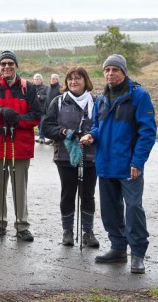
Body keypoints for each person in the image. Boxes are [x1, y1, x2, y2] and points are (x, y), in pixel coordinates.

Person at [80, 54, 156, 274]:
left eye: (115, 70)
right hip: (105, 163)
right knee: (110, 209)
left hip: (129, 165)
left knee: (133, 208)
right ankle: (118, 248)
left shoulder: (139, 96)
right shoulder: (102, 98)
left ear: (124, 72)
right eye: (107, 70)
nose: (110, 74)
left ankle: (138, 254)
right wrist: (91, 136)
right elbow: (97, 126)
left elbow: (147, 132)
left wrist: (138, 161)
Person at [0, 50, 40, 242]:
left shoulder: (27, 88)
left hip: (19, 146)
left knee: (20, 187)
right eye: (3, 64)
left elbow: (36, 116)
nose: (7, 67)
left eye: (10, 64)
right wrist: (0, 112)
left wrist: (16, 120)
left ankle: (22, 225)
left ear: (16, 66)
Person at [42, 66, 99, 248]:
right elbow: (47, 127)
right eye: (70, 79)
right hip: (65, 157)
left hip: (91, 156)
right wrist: (65, 131)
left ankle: (88, 232)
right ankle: (67, 231)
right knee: (68, 193)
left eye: (78, 78)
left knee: (88, 194)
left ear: (85, 81)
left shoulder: (96, 102)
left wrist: (91, 136)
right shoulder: (58, 102)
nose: (73, 82)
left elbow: (103, 126)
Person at [33, 73, 49, 143]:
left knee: (42, 123)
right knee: (38, 124)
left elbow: (48, 97)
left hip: (43, 109)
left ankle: (42, 137)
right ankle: (40, 136)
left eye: (38, 79)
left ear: (41, 80)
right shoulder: (31, 87)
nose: (36, 80)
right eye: (35, 79)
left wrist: (40, 97)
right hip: (34, 109)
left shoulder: (46, 87)